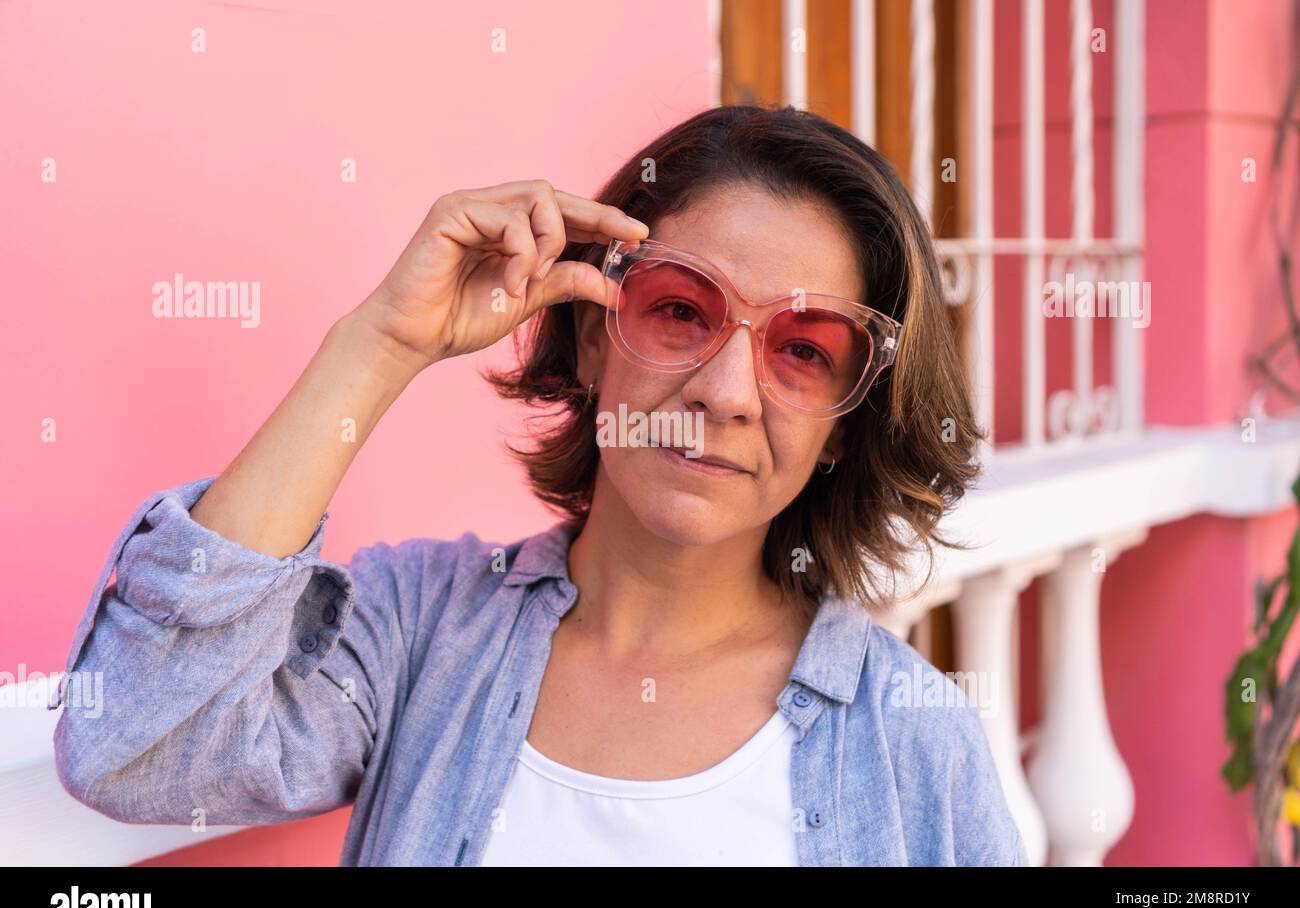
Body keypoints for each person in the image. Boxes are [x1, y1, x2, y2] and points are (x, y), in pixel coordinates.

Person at [51, 104, 1028, 866]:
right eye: (682, 309)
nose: (727, 392)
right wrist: (379, 343)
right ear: (596, 336)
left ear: (840, 429)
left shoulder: (914, 741)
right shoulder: (419, 631)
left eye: (804, 350)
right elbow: (133, 743)